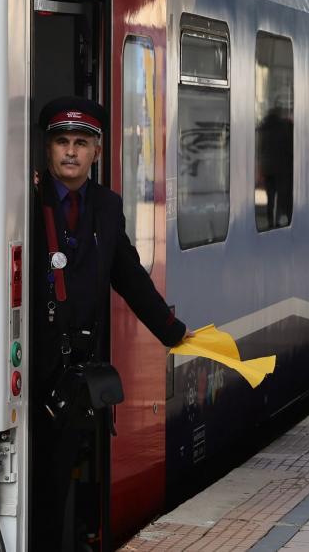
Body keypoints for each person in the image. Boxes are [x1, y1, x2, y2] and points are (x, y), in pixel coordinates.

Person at [31, 96, 191, 552]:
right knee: (38, 486)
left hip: (77, 373)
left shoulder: (105, 205)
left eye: (81, 143)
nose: (70, 152)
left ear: (97, 152)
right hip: (32, 369)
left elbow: (128, 273)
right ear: (47, 148)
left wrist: (171, 331)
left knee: (68, 481)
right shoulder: (27, 198)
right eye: (61, 141)